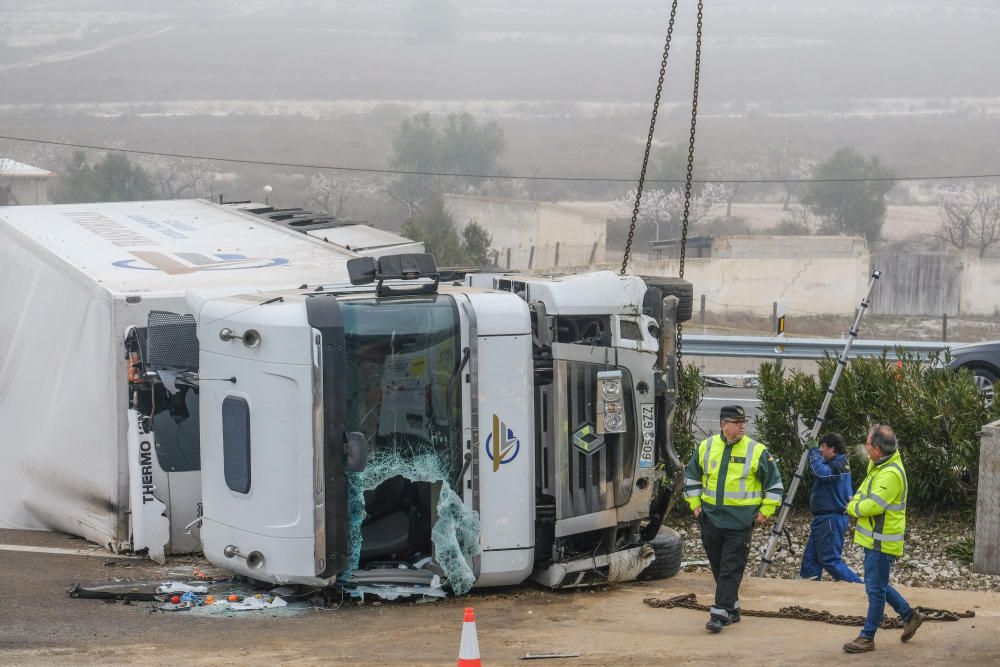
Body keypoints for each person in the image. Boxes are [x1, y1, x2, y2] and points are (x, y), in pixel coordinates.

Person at [684, 404, 784, 633]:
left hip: (739, 523)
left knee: (731, 567)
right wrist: (696, 506)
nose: (742, 426)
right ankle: (733, 607)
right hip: (710, 519)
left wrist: (765, 510)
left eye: (743, 422)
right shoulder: (706, 447)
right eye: (736, 422)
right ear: (723, 424)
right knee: (719, 566)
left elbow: (775, 485)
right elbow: (691, 477)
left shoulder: (757, 451)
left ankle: (719, 613)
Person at [842, 424, 924, 654]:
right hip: (875, 539)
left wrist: (852, 508)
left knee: (875, 590)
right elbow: (865, 492)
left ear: (877, 449)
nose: (865, 447)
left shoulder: (889, 474)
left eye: (868, 443)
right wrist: (855, 502)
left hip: (881, 542)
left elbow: (874, 504)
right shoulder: (879, 465)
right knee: (878, 584)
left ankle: (867, 637)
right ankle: (910, 616)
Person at [799, 432, 863, 583]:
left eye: (823, 446)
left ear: (832, 448)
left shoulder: (839, 464)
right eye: (819, 446)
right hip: (823, 519)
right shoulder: (836, 463)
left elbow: (821, 474)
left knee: (830, 560)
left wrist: (813, 451)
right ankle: (808, 587)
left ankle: (860, 588)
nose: (820, 449)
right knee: (811, 559)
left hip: (831, 519)